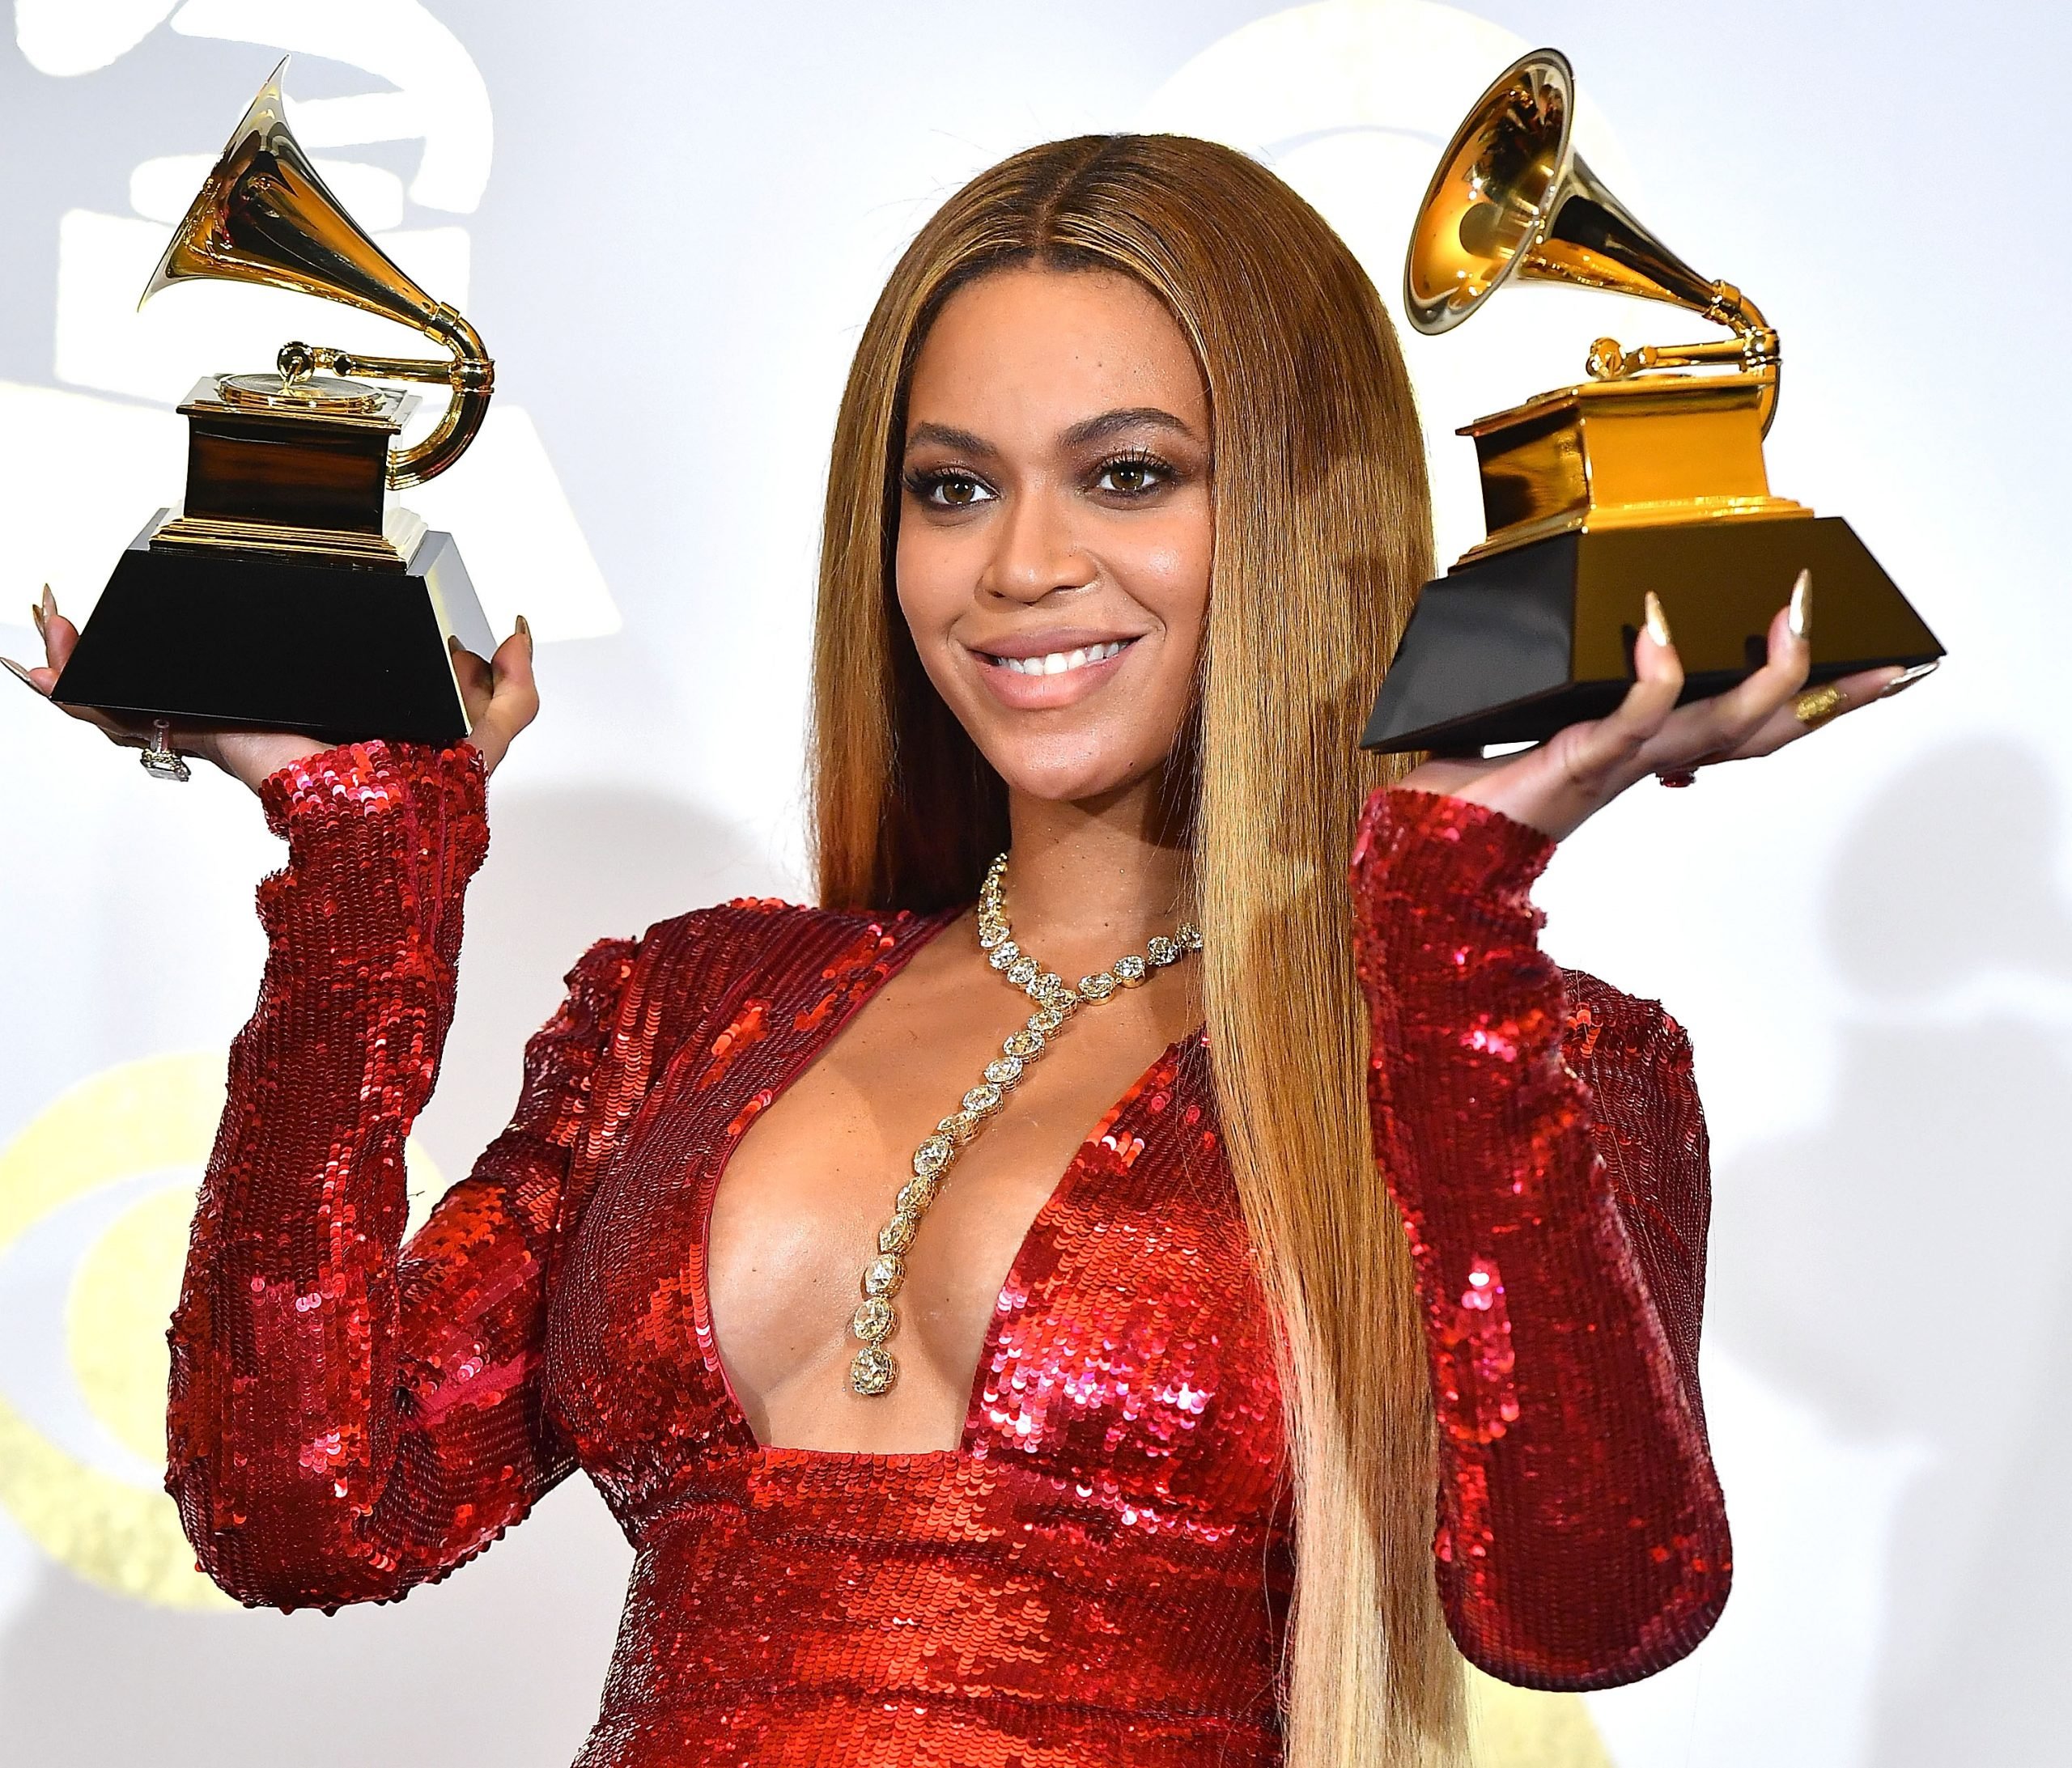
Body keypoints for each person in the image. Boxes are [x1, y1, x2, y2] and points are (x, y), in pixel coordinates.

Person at [9, 134, 1926, 1767]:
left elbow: (1588, 1610)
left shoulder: (1509, 1053)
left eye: (1126, 474)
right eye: (950, 487)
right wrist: (364, 867)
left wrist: (1442, 915)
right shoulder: (685, 1009)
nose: (1015, 566)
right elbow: (298, 1506)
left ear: (1296, 510)